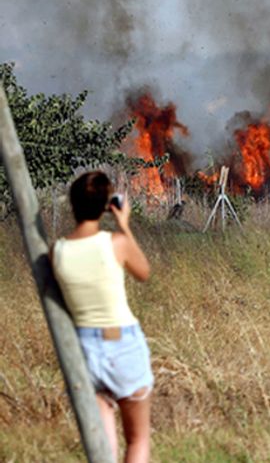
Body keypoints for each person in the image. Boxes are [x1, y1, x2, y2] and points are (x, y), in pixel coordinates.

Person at [51, 171, 152, 463]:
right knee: (138, 439)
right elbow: (143, 271)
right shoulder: (116, 243)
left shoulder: (57, 251)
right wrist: (124, 225)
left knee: (103, 452)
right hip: (123, 343)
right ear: (106, 205)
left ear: (72, 205)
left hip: (84, 350)